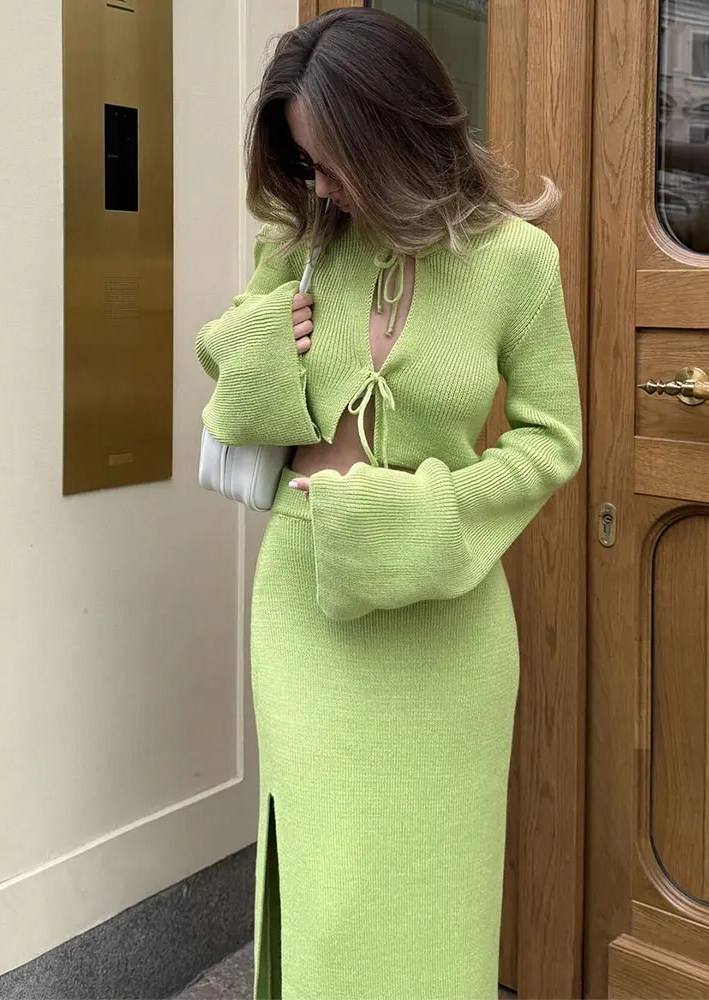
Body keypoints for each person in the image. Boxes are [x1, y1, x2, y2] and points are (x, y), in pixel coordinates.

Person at [195, 8, 582, 999]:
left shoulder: (516, 261)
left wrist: (424, 516)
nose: (316, 185)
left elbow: (551, 440)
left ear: (399, 137)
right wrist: (256, 344)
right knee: (328, 896)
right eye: (301, 162)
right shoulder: (299, 242)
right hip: (307, 611)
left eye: (330, 162)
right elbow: (235, 395)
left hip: (447, 625)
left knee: (436, 902)